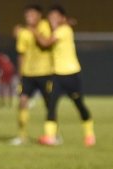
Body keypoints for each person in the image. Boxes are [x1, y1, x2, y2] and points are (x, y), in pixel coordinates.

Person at [35, 5, 95, 147]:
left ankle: (89, 134)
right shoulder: (58, 29)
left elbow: (45, 42)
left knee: (79, 104)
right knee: (51, 105)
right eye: (51, 17)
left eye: (56, 17)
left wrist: (34, 32)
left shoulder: (64, 30)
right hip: (57, 75)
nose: (52, 20)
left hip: (71, 74)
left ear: (62, 18)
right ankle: (50, 136)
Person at [10, 4, 54, 146]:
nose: (29, 17)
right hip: (28, 74)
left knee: (50, 104)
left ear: (39, 15)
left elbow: (45, 44)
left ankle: (52, 134)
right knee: (22, 102)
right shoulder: (23, 33)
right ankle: (22, 136)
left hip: (45, 72)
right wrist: (20, 75)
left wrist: (33, 31)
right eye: (27, 15)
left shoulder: (45, 26)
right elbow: (21, 55)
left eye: (32, 14)